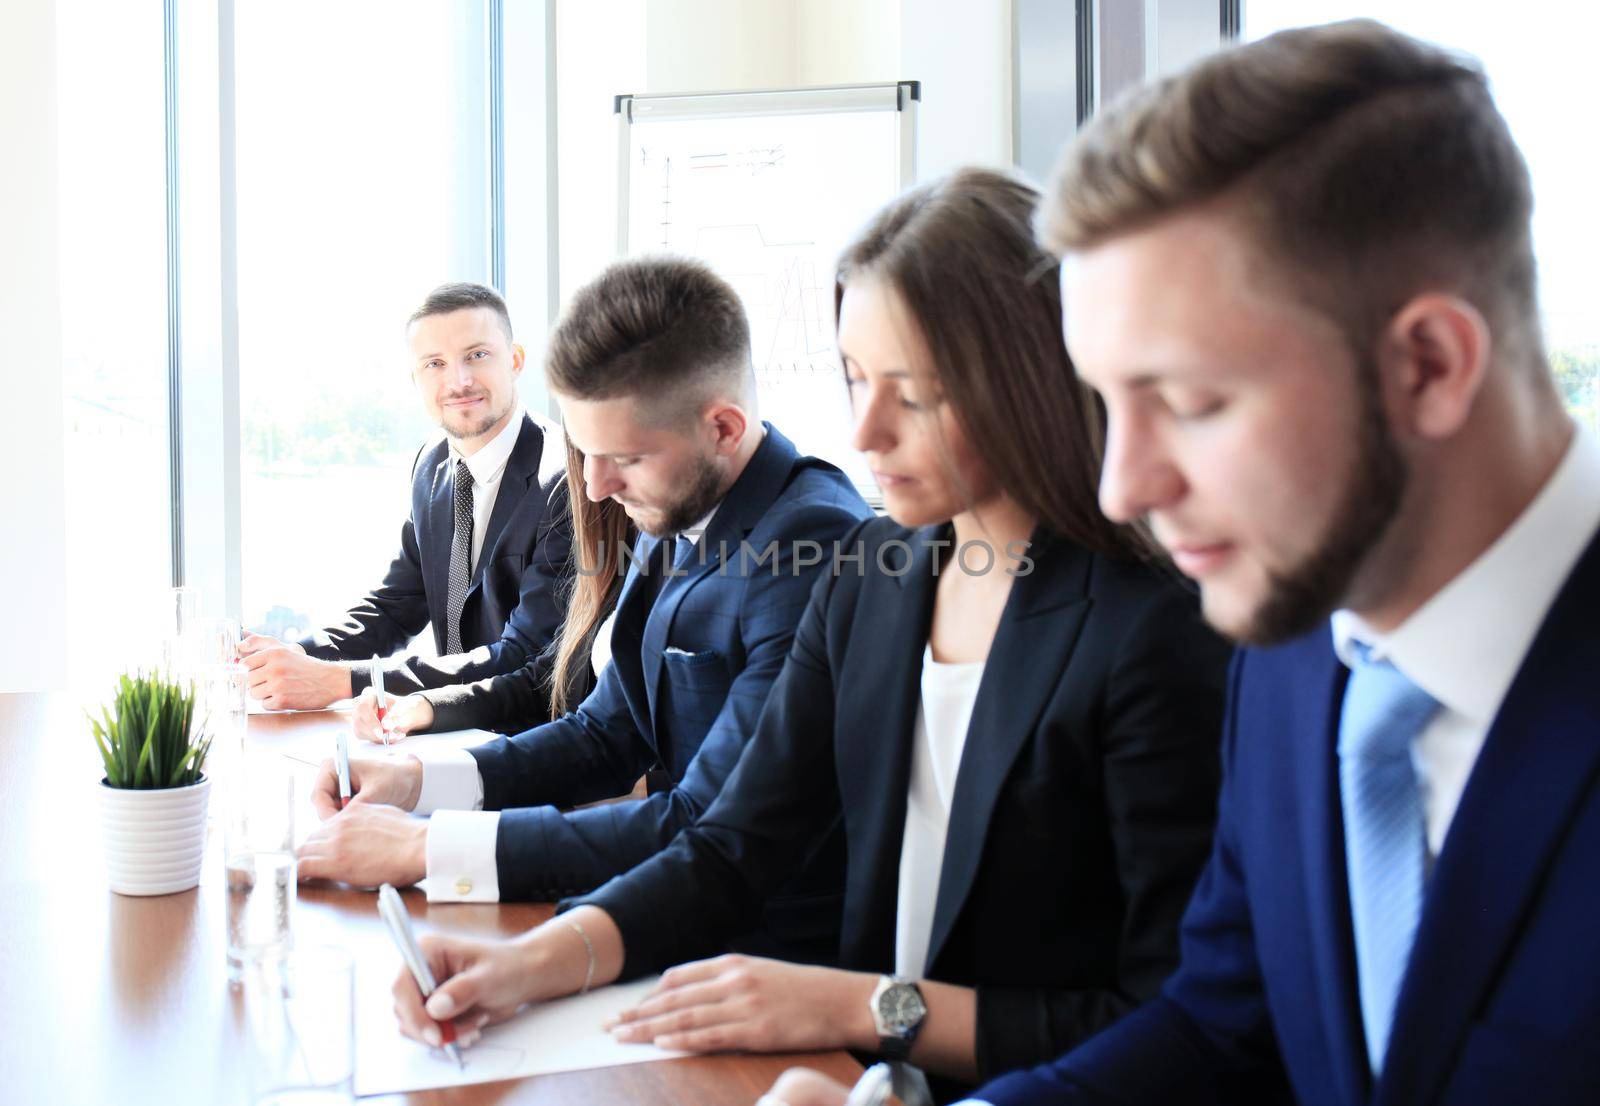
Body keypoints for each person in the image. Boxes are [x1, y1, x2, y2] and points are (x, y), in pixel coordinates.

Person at [791, 19, 1600, 1106]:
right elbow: (1215, 1025)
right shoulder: (1290, 650)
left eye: (1186, 402)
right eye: (1107, 400)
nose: (1123, 486)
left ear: (1427, 364)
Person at [385, 169, 1233, 1103]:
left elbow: (1170, 1024)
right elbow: (731, 843)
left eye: (912, 393)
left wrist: (868, 1008)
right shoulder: (881, 577)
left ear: (1031, 377)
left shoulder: (1152, 625)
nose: (863, 430)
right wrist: (533, 963)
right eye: (856, 378)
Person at [297, 258, 872, 959]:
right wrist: (418, 782)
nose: (595, 489)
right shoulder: (682, 505)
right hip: (664, 917)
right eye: (585, 452)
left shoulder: (811, 543)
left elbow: (706, 819)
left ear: (722, 428)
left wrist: (426, 846)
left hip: (766, 958)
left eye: (621, 458)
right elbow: (603, 735)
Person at [238, 282, 582, 721]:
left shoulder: (566, 479)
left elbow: (522, 658)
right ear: (415, 379)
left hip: (538, 747)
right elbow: (395, 608)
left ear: (514, 361)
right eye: (435, 364)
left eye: (477, 355)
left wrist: (345, 682)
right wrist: (290, 661)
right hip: (445, 731)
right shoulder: (432, 464)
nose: (459, 381)